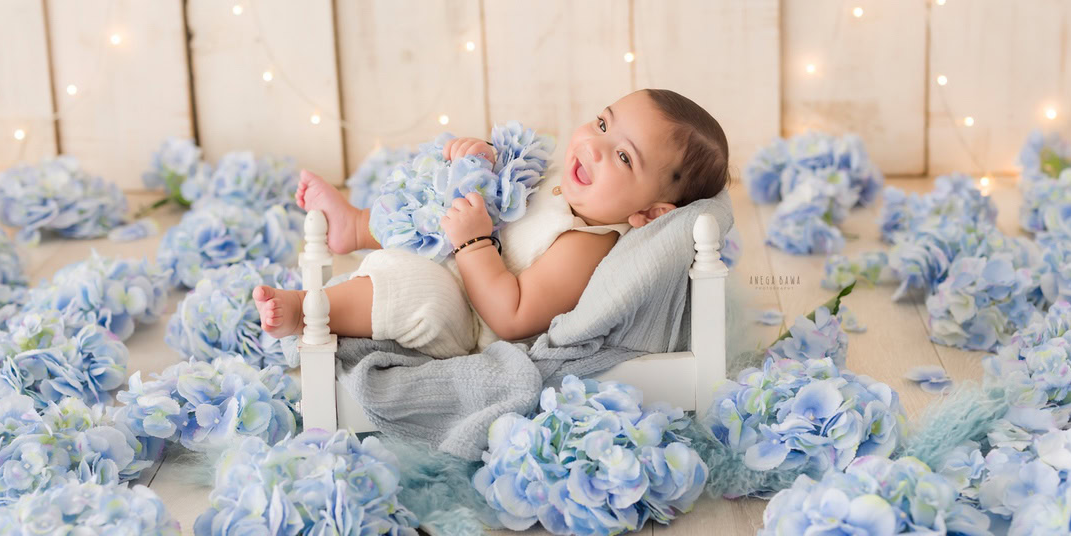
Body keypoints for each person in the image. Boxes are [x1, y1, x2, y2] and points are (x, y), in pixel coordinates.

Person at [252, 88, 730, 357]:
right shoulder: (570, 185)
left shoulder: (586, 245)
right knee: (437, 197)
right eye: (603, 125)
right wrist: (482, 163)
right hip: (458, 250)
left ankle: (308, 310)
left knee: (413, 288)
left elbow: (512, 315)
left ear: (649, 214)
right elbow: (508, 196)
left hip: (467, 315)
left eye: (623, 157)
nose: (594, 146)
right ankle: (355, 226)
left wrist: (476, 244)